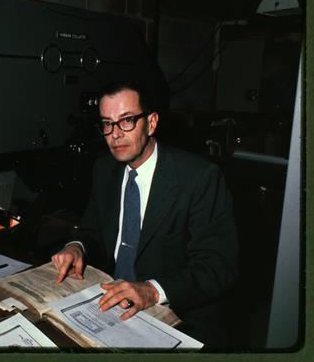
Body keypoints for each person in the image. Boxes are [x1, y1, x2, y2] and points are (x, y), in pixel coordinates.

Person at [51, 81, 238, 348]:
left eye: (127, 120)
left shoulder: (199, 178)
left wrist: (152, 290)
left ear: (151, 123)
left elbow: (218, 267)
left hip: (179, 314)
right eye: (107, 123)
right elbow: (91, 230)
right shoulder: (104, 170)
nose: (115, 134)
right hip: (109, 302)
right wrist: (76, 246)